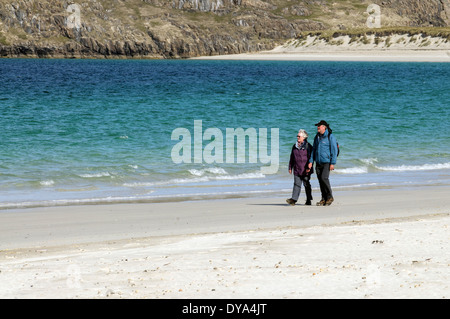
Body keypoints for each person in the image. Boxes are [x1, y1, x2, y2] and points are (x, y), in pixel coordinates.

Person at [308, 120, 338, 206]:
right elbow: (313, 150)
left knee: (324, 178)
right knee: (320, 180)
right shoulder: (317, 137)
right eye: (317, 126)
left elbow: (334, 150)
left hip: (326, 162)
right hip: (318, 162)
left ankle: (330, 197)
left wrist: (332, 163)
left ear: (324, 127)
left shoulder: (330, 136)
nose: (317, 127)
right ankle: (323, 199)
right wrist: (311, 161)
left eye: (319, 126)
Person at [286, 129, 313, 206]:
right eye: (297, 136)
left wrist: (309, 167)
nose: (297, 137)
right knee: (296, 184)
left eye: (299, 136)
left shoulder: (308, 146)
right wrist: (290, 167)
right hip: (297, 169)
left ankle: (308, 199)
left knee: (306, 184)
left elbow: (311, 158)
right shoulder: (294, 146)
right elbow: (292, 157)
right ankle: (293, 200)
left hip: (306, 169)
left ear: (304, 137)